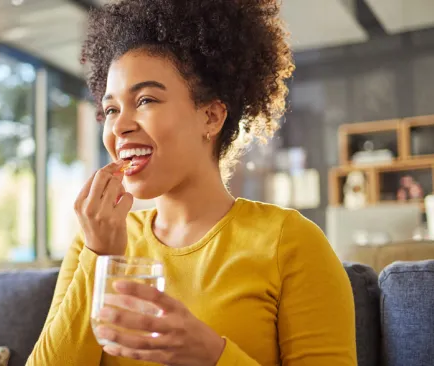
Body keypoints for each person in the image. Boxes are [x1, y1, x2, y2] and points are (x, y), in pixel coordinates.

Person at [27, 0, 357, 365]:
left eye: (146, 99)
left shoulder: (290, 243)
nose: (119, 126)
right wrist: (100, 258)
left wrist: (210, 355)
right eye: (111, 109)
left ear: (211, 117)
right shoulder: (95, 243)